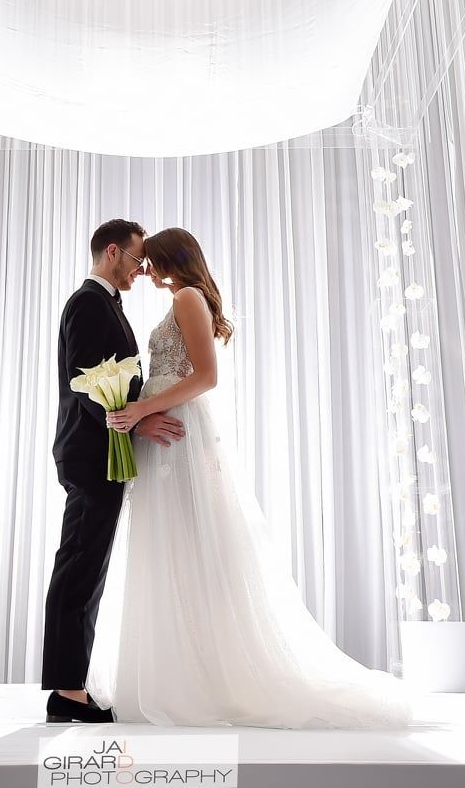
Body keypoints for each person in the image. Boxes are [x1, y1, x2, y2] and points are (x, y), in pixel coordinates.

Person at [85, 227, 412, 728]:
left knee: (188, 544)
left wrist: (142, 407)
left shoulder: (189, 297)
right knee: (166, 548)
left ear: (171, 258)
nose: (143, 268)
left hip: (178, 428)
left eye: (149, 259)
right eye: (139, 259)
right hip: (162, 427)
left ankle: (201, 678)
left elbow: (205, 376)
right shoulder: (180, 298)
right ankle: (176, 670)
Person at [41, 219, 187, 724]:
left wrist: (133, 418)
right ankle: (65, 692)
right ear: (111, 253)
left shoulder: (107, 303)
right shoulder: (87, 302)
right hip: (89, 453)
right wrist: (135, 423)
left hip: (103, 450)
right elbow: (86, 382)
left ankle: (71, 687)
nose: (141, 269)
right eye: (136, 259)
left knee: (89, 568)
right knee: (79, 567)